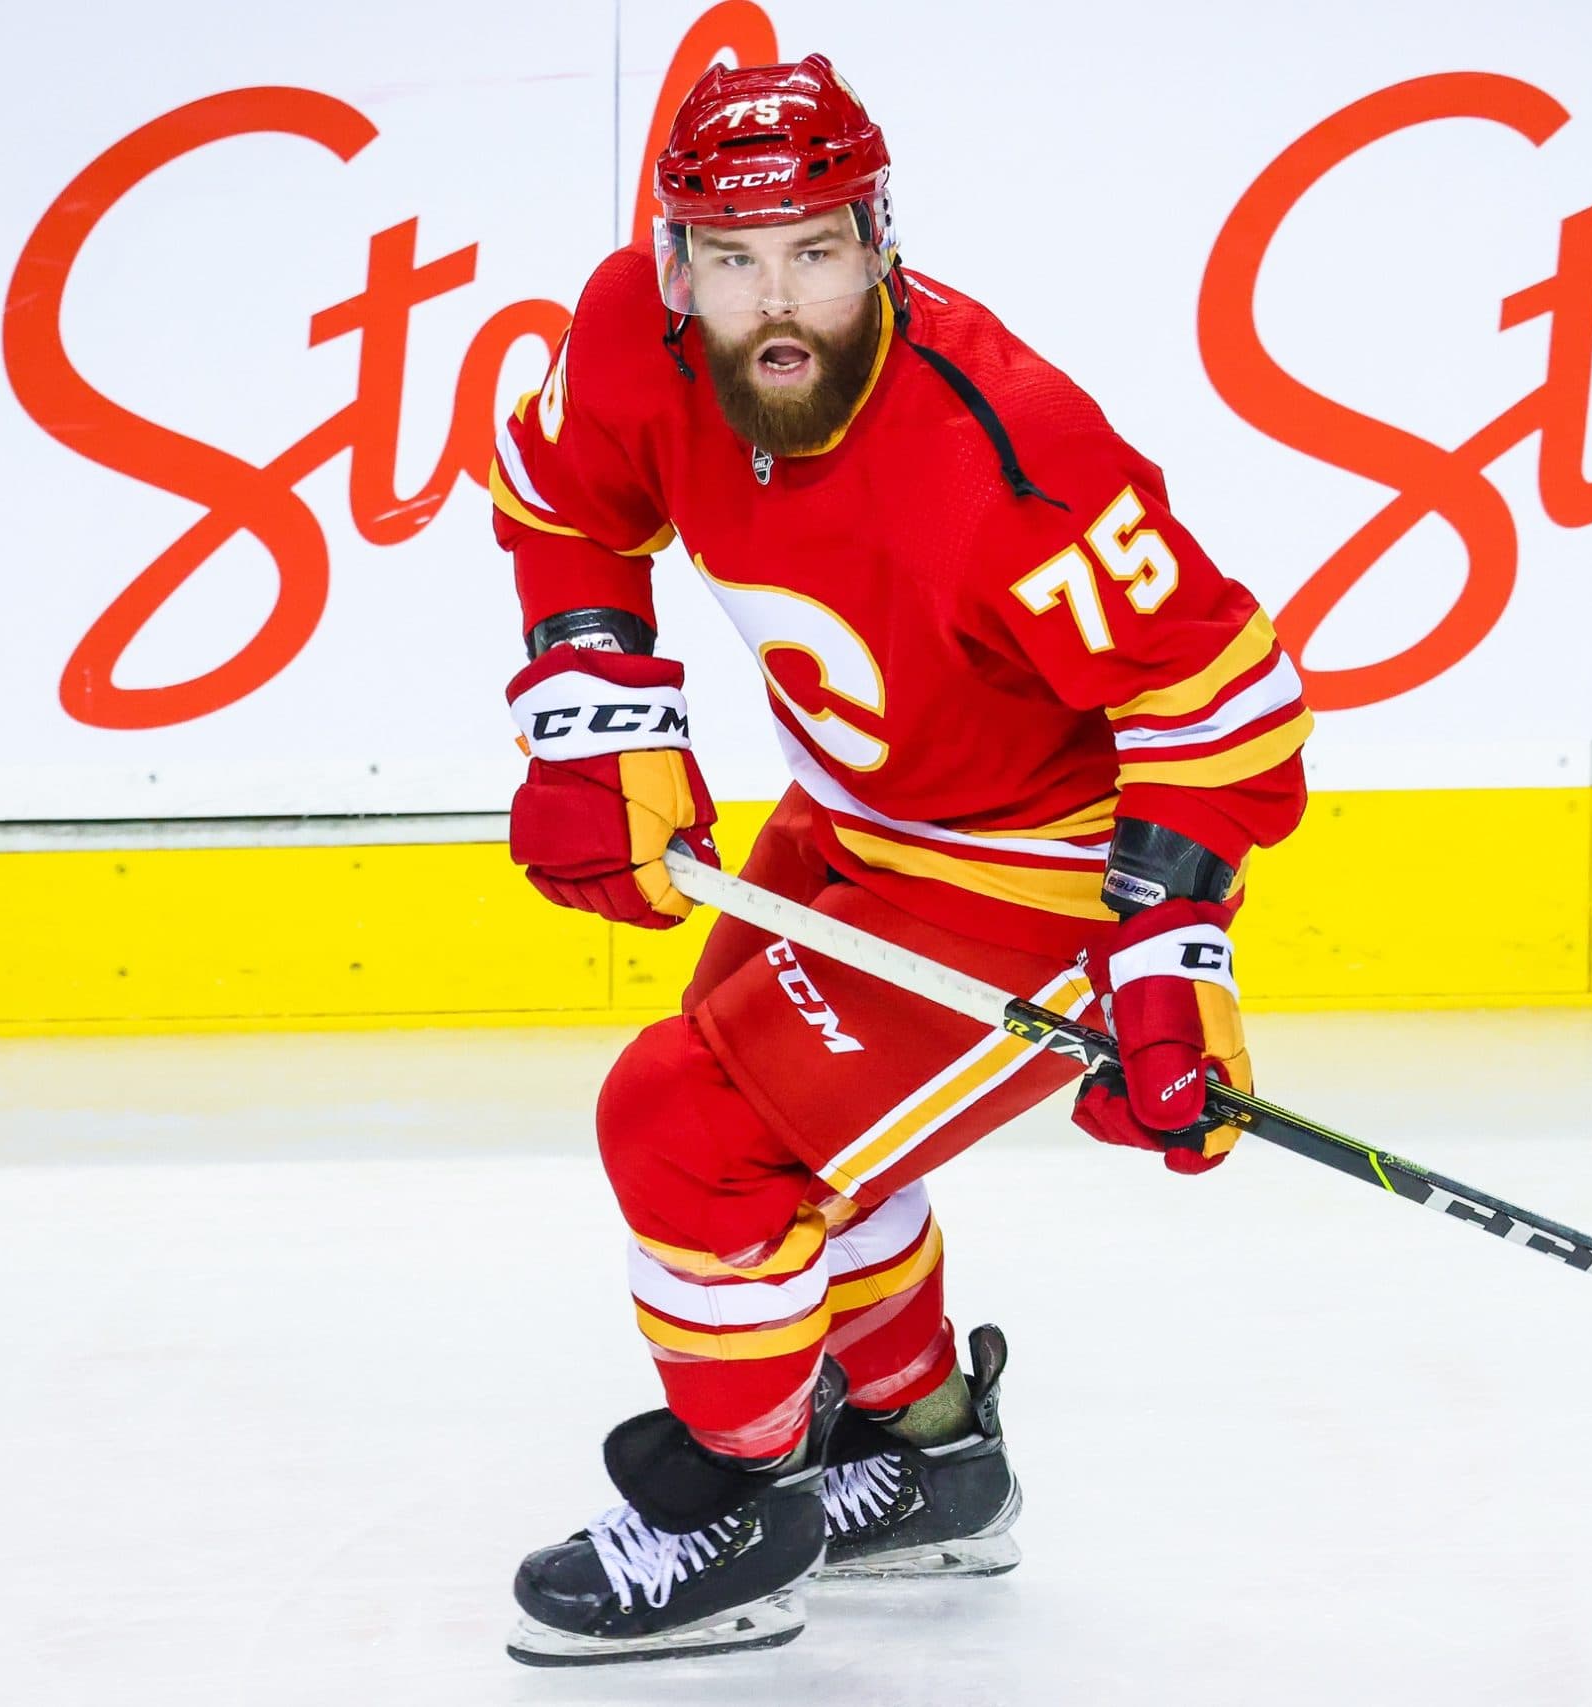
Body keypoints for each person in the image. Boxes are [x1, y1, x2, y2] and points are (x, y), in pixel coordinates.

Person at [489, 54, 1311, 1665]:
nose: (775, 303)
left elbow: (1222, 701)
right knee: (788, 1149)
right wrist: (595, 718)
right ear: (673, 265)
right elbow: (560, 495)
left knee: (688, 1130)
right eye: (732, 259)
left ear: (880, 240)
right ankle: (930, 1461)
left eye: (815, 250)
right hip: (849, 820)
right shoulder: (631, 336)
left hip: (1032, 880)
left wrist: (1166, 959)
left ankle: (740, 1508)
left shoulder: (1011, 451)